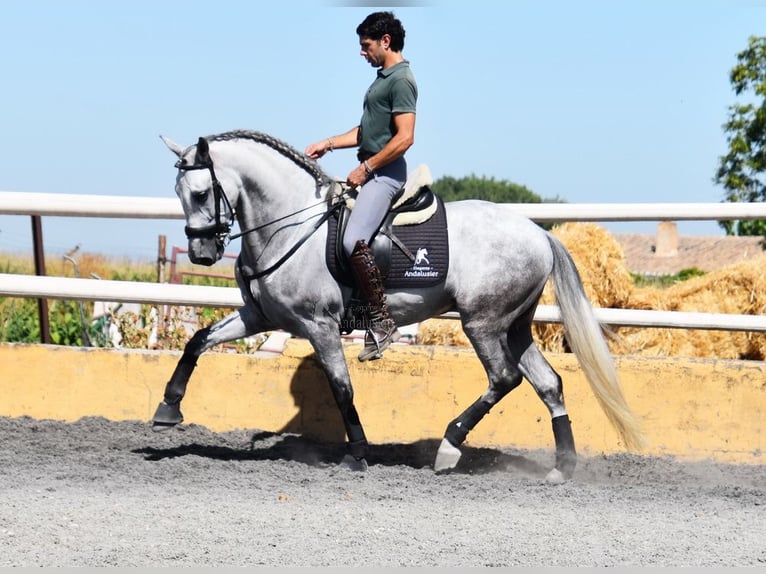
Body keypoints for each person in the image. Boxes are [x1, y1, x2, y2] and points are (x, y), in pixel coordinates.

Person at [305, 11, 418, 362]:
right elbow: (365, 132)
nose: (361, 52)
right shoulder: (383, 79)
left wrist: (366, 167)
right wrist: (328, 142)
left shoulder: (401, 79)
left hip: (386, 173)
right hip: (373, 169)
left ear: (386, 41)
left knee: (355, 240)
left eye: (365, 45)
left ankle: (382, 321)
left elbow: (405, 138)